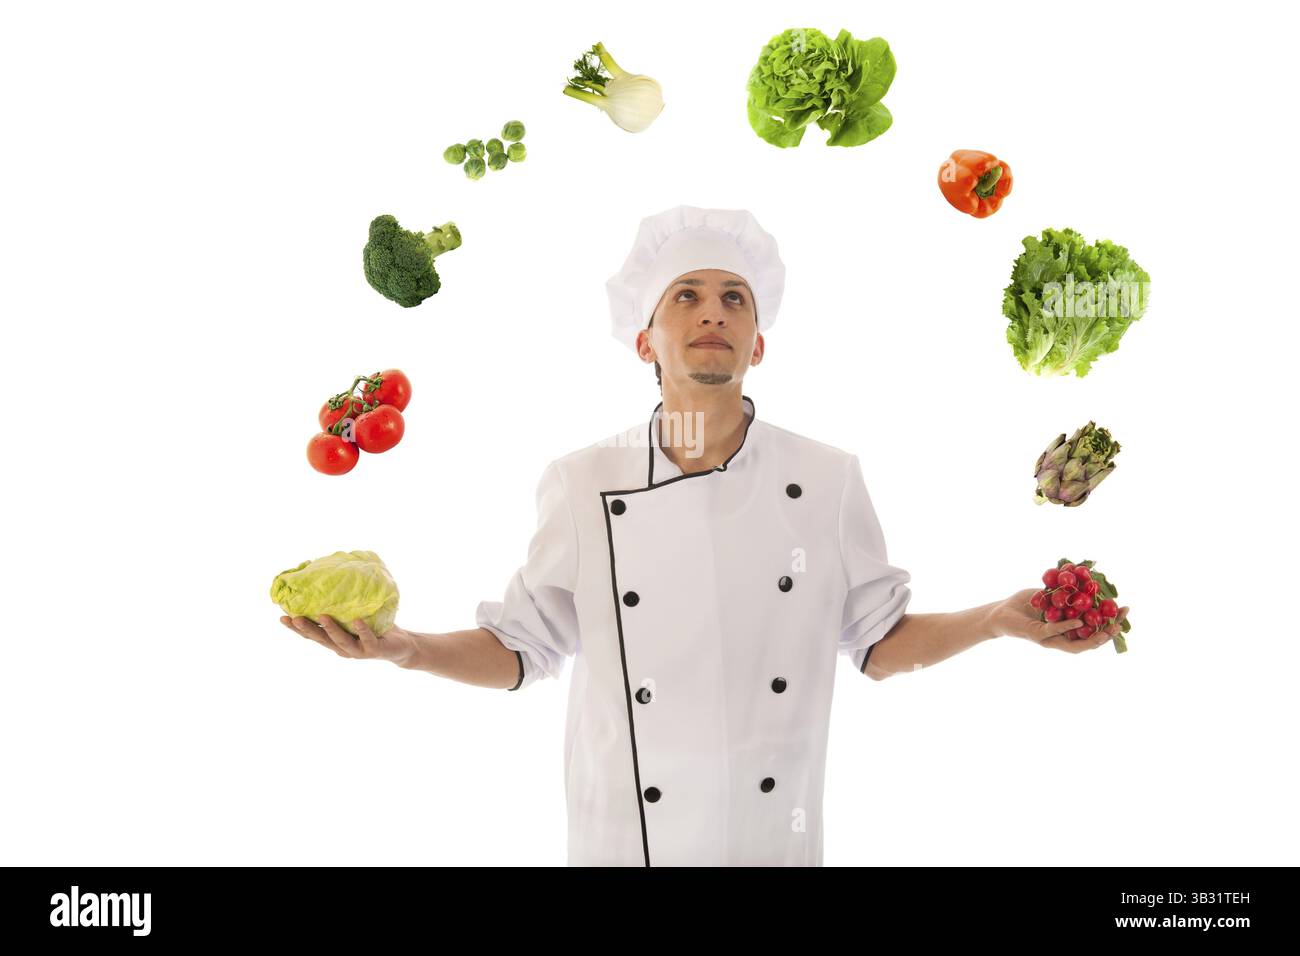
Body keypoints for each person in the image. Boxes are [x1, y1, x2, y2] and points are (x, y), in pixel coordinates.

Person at [280, 205, 1129, 866]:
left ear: (759, 343)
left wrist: (996, 620)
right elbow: (522, 648)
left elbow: (878, 643)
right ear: (646, 340)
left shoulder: (829, 480)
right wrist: (403, 650)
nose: (710, 313)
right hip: (623, 842)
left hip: (774, 842)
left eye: (732, 299)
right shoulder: (583, 482)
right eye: (685, 296)